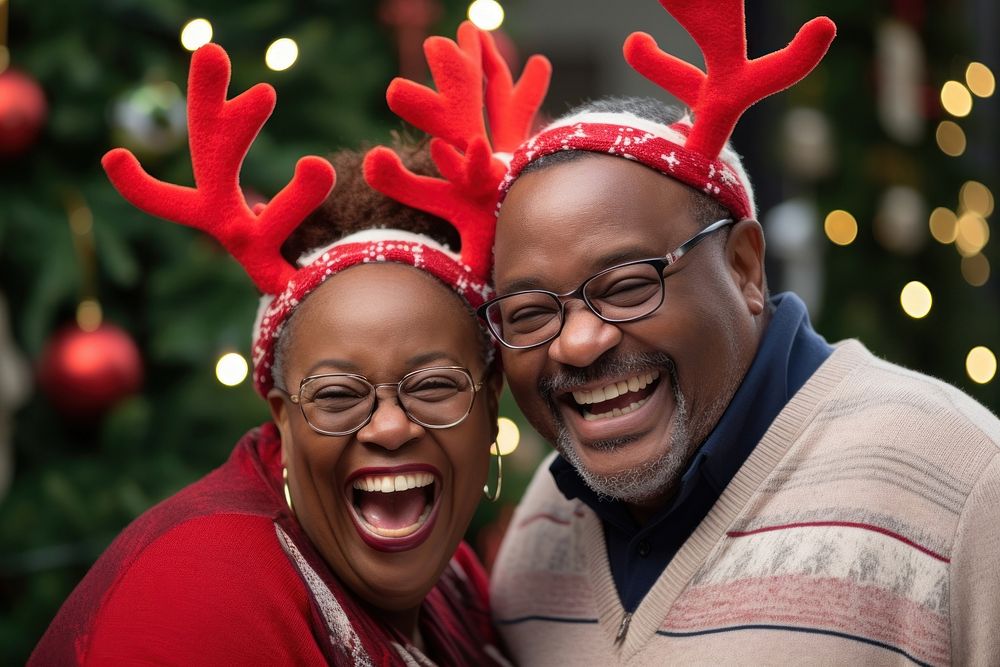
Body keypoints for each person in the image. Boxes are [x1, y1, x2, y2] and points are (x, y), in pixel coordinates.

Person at [485, 1, 1000, 664]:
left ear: (744, 267)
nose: (578, 343)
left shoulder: (961, 482)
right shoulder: (538, 535)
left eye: (629, 285)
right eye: (530, 312)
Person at [31, 25, 549, 666]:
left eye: (434, 385)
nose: (389, 428)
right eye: (336, 394)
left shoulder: (458, 581)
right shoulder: (198, 600)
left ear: (490, 400)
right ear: (281, 415)